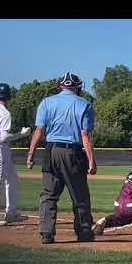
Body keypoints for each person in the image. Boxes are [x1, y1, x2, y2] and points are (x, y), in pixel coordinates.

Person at [27, 72, 97, 244]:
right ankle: (84, 232)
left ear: (60, 86)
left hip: (50, 151)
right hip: (72, 152)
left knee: (49, 195)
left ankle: (46, 233)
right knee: (80, 196)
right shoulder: (85, 104)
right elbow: (85, 135)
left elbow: (39, 130)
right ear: (77, 87)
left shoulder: (46, 102)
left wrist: (30, 154)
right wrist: (91, 160)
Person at [0, 83, 31, 226]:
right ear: (8, 96)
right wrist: (21, 134)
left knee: (12, 180)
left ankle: (11, 212)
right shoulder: (5, 113)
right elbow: (4, 137)